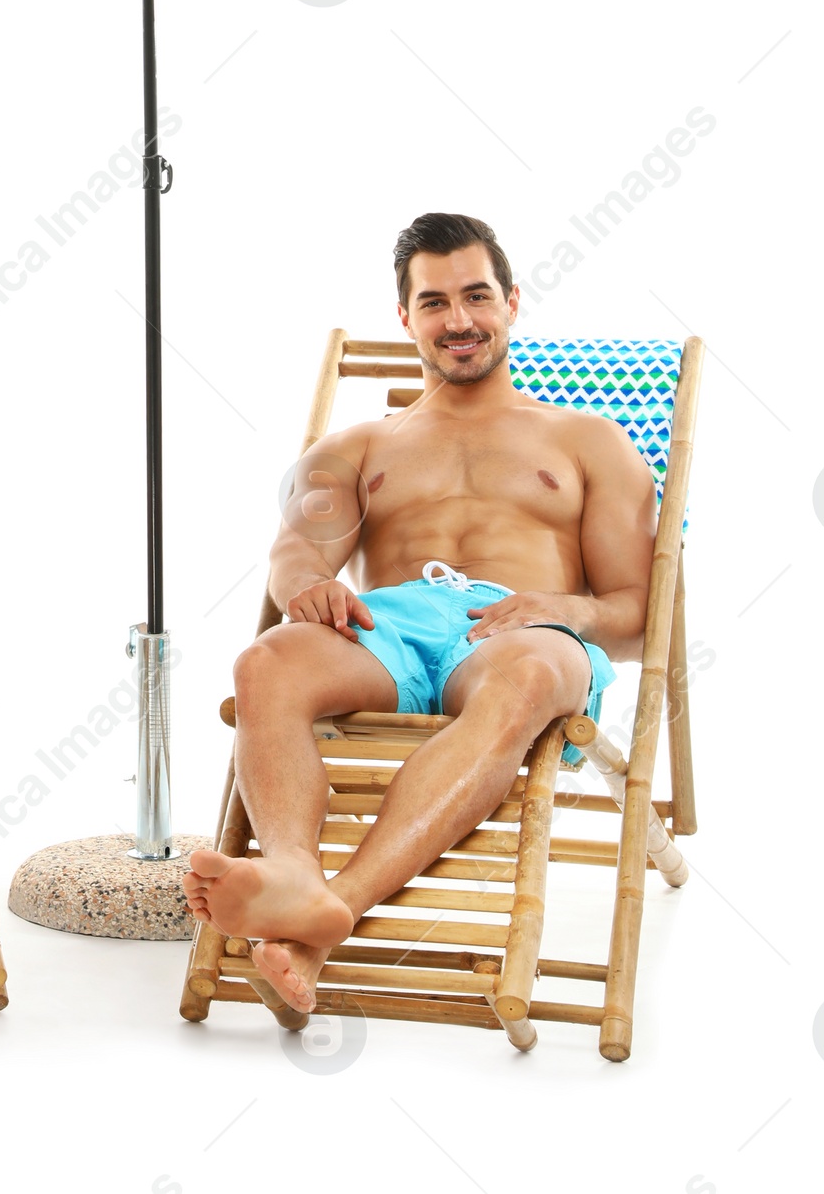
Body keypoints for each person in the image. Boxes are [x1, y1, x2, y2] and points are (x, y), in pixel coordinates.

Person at [184, 211, 657, 1014]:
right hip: (388, 628)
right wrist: (308, 583)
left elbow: (640, 615)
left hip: (523, 631)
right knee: (267, 659)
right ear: (406, 317)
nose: (460, 320)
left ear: (511, 300)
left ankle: (334, 910)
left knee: (533, 671)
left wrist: (562, 606)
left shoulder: (591, 441)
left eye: (476, 296)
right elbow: (295, 549)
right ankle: (295, 874)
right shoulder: (358, 446)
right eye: (435, 302)